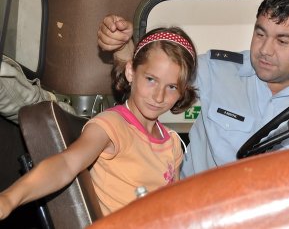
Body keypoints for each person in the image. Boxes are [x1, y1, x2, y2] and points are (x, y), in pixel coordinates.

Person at [97, 0, 289, 178]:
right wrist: (122, 48)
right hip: (194, 209)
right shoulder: (218, 69)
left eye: (282, 41)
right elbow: (151, 74)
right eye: (260, 34)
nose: (265, 49)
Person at [0, 27, 198, 218]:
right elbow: (67, 163)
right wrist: (10, 198)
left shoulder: (172, 144)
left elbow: (175, 207)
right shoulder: (112, 126)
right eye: (151, 79)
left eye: (172, 87)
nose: (159, 96)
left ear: (182, 92)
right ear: (131, 72)